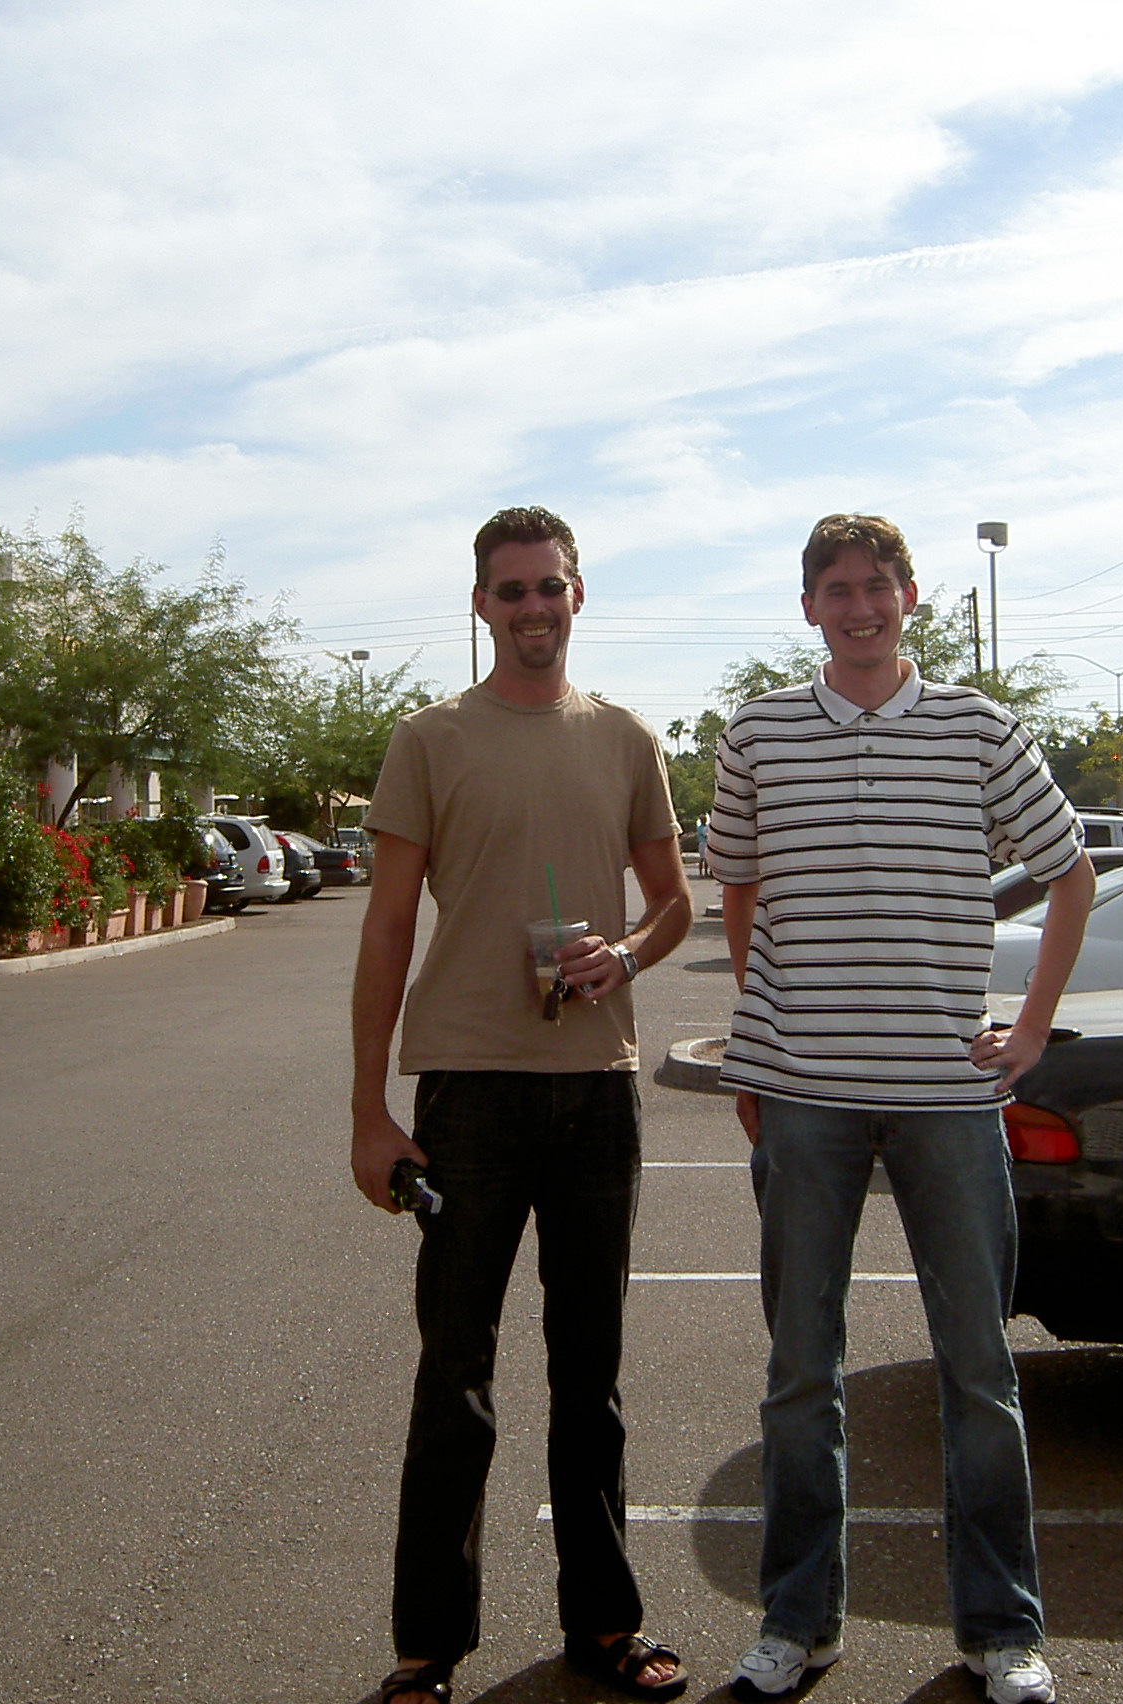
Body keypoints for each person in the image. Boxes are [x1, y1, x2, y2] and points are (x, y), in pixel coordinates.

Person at [708, 514, 1094, 1704]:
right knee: (799, 1371)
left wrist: (1029, 1032)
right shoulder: (758, 733)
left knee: (977, 1370)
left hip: (946, 1097)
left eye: (876, 585)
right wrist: (759, 1038)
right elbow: (738, 888)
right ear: (808, 607)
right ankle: (797, 1622)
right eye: (836, 589)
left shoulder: (978, 728)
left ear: (910, 597)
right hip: (803, 1098)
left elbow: (1071, 873)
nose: (859, 606)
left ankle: (1000, 1630)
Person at [350, 506, 696, 1704]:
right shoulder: (429, 739)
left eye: (550, 587)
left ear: (577, 595)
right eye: (511, 591)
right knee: (455, 1376)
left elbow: (675, 903)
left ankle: (603, 1624)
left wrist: (627, 954)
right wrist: (370, 1112)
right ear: (481, 606)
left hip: (596, 1091)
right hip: (470, 1095)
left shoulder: (626, 739)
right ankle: (426, 1648)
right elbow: (386, 928)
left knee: (590, 1375)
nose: (533, 608)